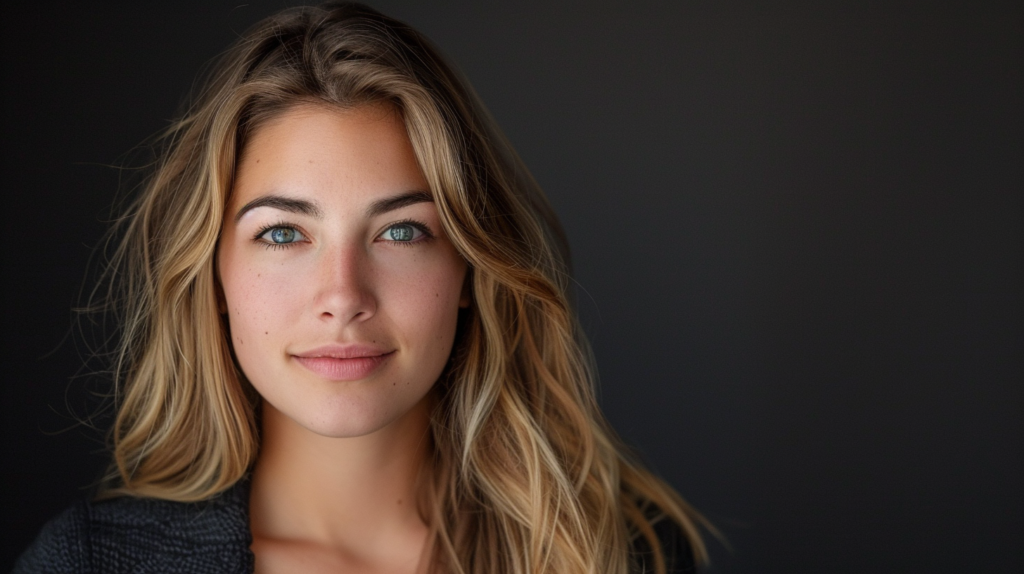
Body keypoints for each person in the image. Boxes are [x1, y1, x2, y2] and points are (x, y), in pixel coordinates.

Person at [14, 3, 711, 573]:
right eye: (284, 233)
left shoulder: (616, 555)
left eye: (402, 232)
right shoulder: (91, 562)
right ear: (215, 275)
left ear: (469, 265)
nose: (343, 294)